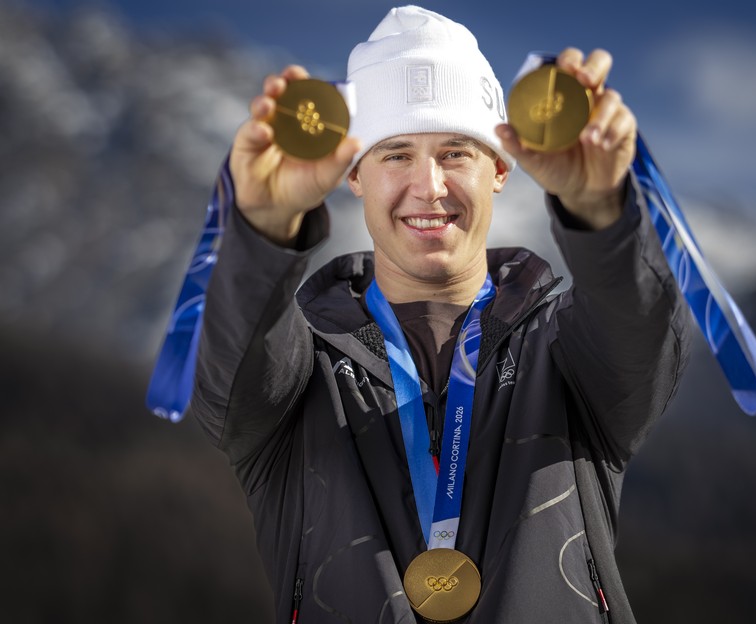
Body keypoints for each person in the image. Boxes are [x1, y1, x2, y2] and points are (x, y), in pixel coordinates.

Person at [190, 5, 690, 623]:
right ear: (355, 174)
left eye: (456, 153)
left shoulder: (564, 355)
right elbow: (229, 381)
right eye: (396, 154)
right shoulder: (301, 372)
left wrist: (602, 214)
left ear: (500, 168)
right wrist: (261, 231)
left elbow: (640, 339)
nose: (429, 186)